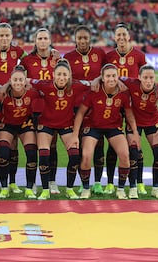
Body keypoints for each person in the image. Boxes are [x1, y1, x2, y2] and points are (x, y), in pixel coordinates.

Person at [70, 63, 140, 199]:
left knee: (125, 155)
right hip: (93, 126)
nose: (111, 79)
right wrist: (74, 135)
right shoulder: (94, 91)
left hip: (113, 127)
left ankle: (120, 189)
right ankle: (85, 188)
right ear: (102, 78)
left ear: (118, 77)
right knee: (86, 156)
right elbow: (80, 114)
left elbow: (129, 115)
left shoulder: (123, 92)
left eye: (114, 76)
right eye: (108, 76)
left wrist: (135, 133)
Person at [29, 59, 92, 200]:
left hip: (66, 125)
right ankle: (45, 190)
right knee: (44, 154)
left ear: (69, 76)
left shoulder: (76, 85)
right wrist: (6, 86)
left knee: (75, 155)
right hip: (46, 124)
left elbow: (94, 83)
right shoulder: (44, 85)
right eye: (59, 74)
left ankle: (69, 189)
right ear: (53, 75)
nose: (62, 78)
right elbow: (25, 80)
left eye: (65, 75)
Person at [0, 22, 27, 194]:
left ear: (11, 37)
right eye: (1, 35)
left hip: (11, 101)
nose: (4, 38)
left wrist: (53, 52)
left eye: (7, 35)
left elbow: (29, 63)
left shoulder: (18, 52)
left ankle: (13, 182)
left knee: (13, 143)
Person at [64, 25, 107, 195]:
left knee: (99, 145)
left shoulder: (100, 54)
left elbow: (107, 72)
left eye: (85, 38)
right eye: (79, 38)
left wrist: (97, 78)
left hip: (98, 106)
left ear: (90, 38)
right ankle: (84, 183)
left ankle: (97, 182)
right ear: (75, 39)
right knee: (83, 145)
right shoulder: (68, 57)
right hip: (77, 107)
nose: (82, 41)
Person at [104, 22, 147, 195]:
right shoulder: (108, 57)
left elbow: (145, 78)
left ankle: (139, 182)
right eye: (118, 35)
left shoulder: (139, 56)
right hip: (113, 105)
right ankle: (109, 183)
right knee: (113, 145)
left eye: (124, 35)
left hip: (134, 106)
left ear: (129, 37)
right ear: (114, 38)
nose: (121, 38)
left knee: (136, 144)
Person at [121, 65, 158, 199]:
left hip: (153, 122)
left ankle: (155, 188)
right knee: (133, 153)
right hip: (134, 122)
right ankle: (133, 188)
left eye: (151, 77)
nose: (148, 81)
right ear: (139, 78)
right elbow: (114, 77)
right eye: (145, 77)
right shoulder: (131, 83)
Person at [21, 27, 61, 194]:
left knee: (52, 146)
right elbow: (19, 80)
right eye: (40, 38)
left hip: (52, 108)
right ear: (35, 41)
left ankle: (51, 181)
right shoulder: (27, 60)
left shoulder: (57, 59)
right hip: (31, 108)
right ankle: (32, 182)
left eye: (45, 38)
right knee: (33, 147)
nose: (43, 41)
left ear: (50, 41)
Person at [0, 65, 40, 199]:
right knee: (4, 153)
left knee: (31, 153)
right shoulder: (2, 94)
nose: (18, 83)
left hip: (25, 125)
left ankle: (29, 188)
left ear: (25, 80)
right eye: (15, 80)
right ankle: (5, 187)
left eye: (21, 80)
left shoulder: (33, 93)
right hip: (7, 125)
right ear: (10, 80)